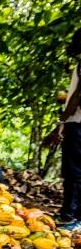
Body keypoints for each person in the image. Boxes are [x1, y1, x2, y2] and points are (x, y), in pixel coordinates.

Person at [42, 29, 81, 229]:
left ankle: (70, 216)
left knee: (73, 171)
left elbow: (76, 97)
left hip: (78, 123)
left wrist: (61, 123)